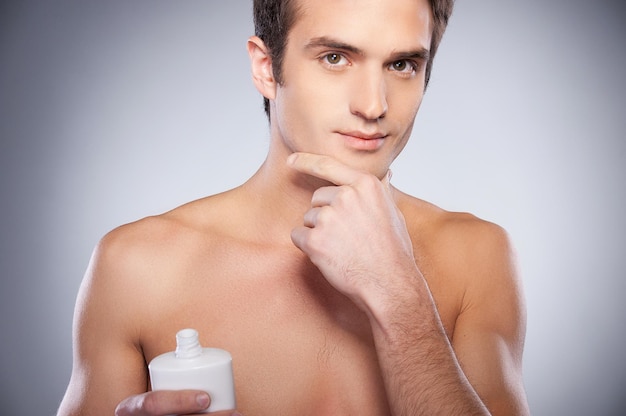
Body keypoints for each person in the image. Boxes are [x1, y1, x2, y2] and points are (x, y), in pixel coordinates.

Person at [58, 0, 530, 414]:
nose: (374, 104)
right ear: (267, 68)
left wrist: (397, 296)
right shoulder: (139, 268)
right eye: (335, 57)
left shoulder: (477, 258)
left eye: (402, 64)